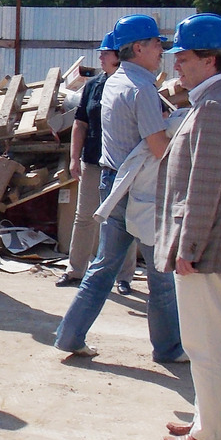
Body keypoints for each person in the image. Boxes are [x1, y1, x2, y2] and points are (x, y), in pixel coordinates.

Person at [155, 14, 221, 440]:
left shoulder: (216, 108)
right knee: (213, 339)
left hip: (208, 247)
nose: (177, 63)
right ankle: (208, 421)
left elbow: (204, 186)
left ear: (210, 59)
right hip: (215, 245)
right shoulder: (219, 101)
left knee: (207, 342)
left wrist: (188, 247)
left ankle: (213, 434)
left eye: (184, 56)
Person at [54, 14, 184, 363]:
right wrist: (180, 128)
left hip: (115, 182)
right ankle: (169, 348)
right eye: (157, 44)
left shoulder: (115, 81)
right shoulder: (141, 88)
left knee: (102, 267)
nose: (162, 51)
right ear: (138, 48)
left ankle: (70, 335)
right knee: (161, 275)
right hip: (141, 188)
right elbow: (158, 148)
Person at [58, 30, 137, 293]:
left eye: (105, 52)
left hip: (122, 166)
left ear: (119, 55)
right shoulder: (93, 86)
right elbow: (80, 123)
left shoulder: (134, 85)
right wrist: (74, 158)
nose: (101, 57)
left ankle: (124, 277)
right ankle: (75, 270)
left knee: (124, 220)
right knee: (84, 217)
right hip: (92, 162)